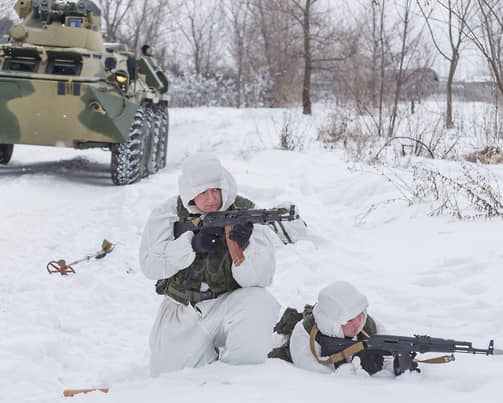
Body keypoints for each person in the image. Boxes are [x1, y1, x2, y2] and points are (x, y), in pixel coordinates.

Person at [139, 153, 281, 375]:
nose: (212, 199)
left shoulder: (244, 213)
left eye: (216, 190)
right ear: (189, 193)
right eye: (202, 192)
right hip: (182, 311)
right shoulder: (168, 214)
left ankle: (236, 377)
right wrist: (191, 245)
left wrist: (241, 248)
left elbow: (264, 278)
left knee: (259, 303)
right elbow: (149, 265)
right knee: (168, 381)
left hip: (227, 305)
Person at [269, 281, 386, 375]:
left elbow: (388, 350)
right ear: (334, 323)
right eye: (349, 320)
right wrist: (339, 373)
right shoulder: (304, 334)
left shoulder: (367, 324)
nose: (357, 324)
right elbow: (307, 366)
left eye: (359, 316)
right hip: (290, 348)